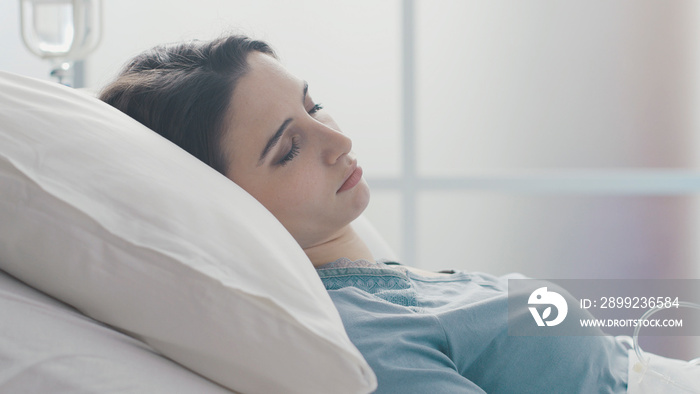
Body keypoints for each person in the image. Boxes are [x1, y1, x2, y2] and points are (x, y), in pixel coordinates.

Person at [100, 34, 629, 393]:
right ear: (222, 202)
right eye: (288, 148)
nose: (339, 140)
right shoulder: (365, 339)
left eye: (313, 106)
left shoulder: (383, 287)